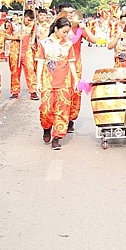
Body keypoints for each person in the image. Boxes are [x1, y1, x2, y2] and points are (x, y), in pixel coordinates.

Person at [35, 17, 79, 150]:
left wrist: (76, 79)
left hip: (64, 81)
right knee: (46, 109)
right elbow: (40, 63)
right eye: (64, 32)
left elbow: (71, 63)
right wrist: (38, 81)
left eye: (67, 32)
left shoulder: (68, 45)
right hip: (48, 80)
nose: (66, 35)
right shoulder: (44, 43)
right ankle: (47, 128)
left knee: (62, 109)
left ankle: (57, 136)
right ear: (56, 29)